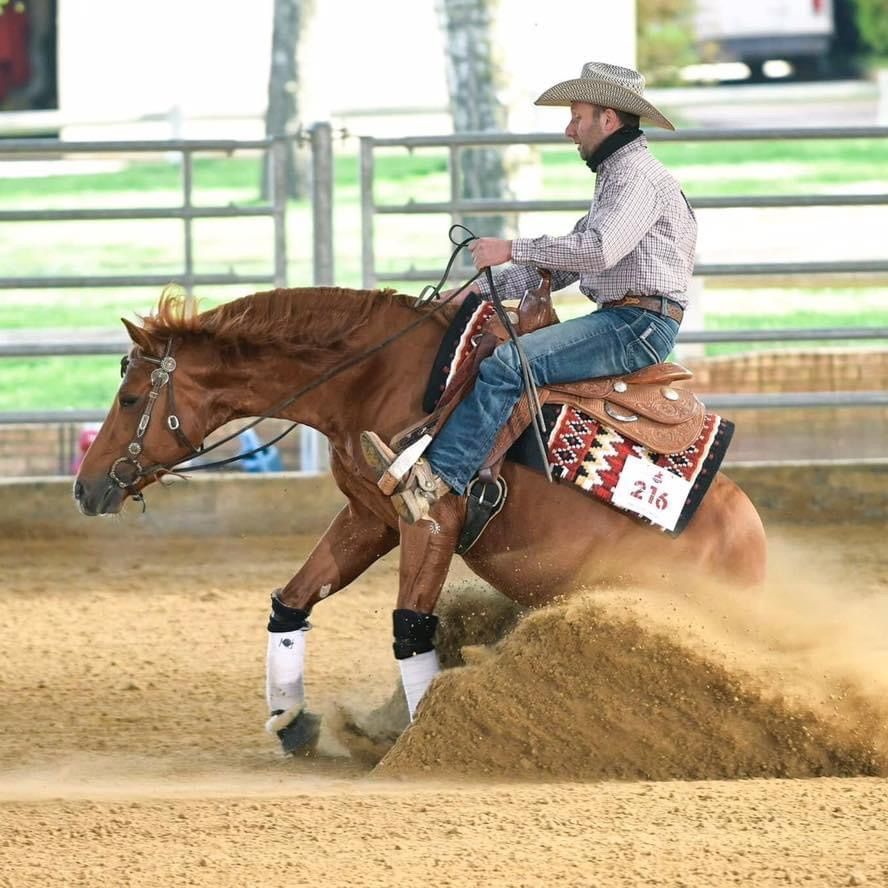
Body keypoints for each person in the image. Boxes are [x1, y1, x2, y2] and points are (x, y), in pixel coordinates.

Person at [363, 61, 697, 524]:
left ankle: (437, 479)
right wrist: (474, 293)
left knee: (507, 364)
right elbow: (559, 268)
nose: (569, 130)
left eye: (577, 117)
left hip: (635, 325)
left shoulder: (635, 178)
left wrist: (509, 248)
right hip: (630, 320)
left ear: (608, 118)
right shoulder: (621, 178)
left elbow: (597, 251)